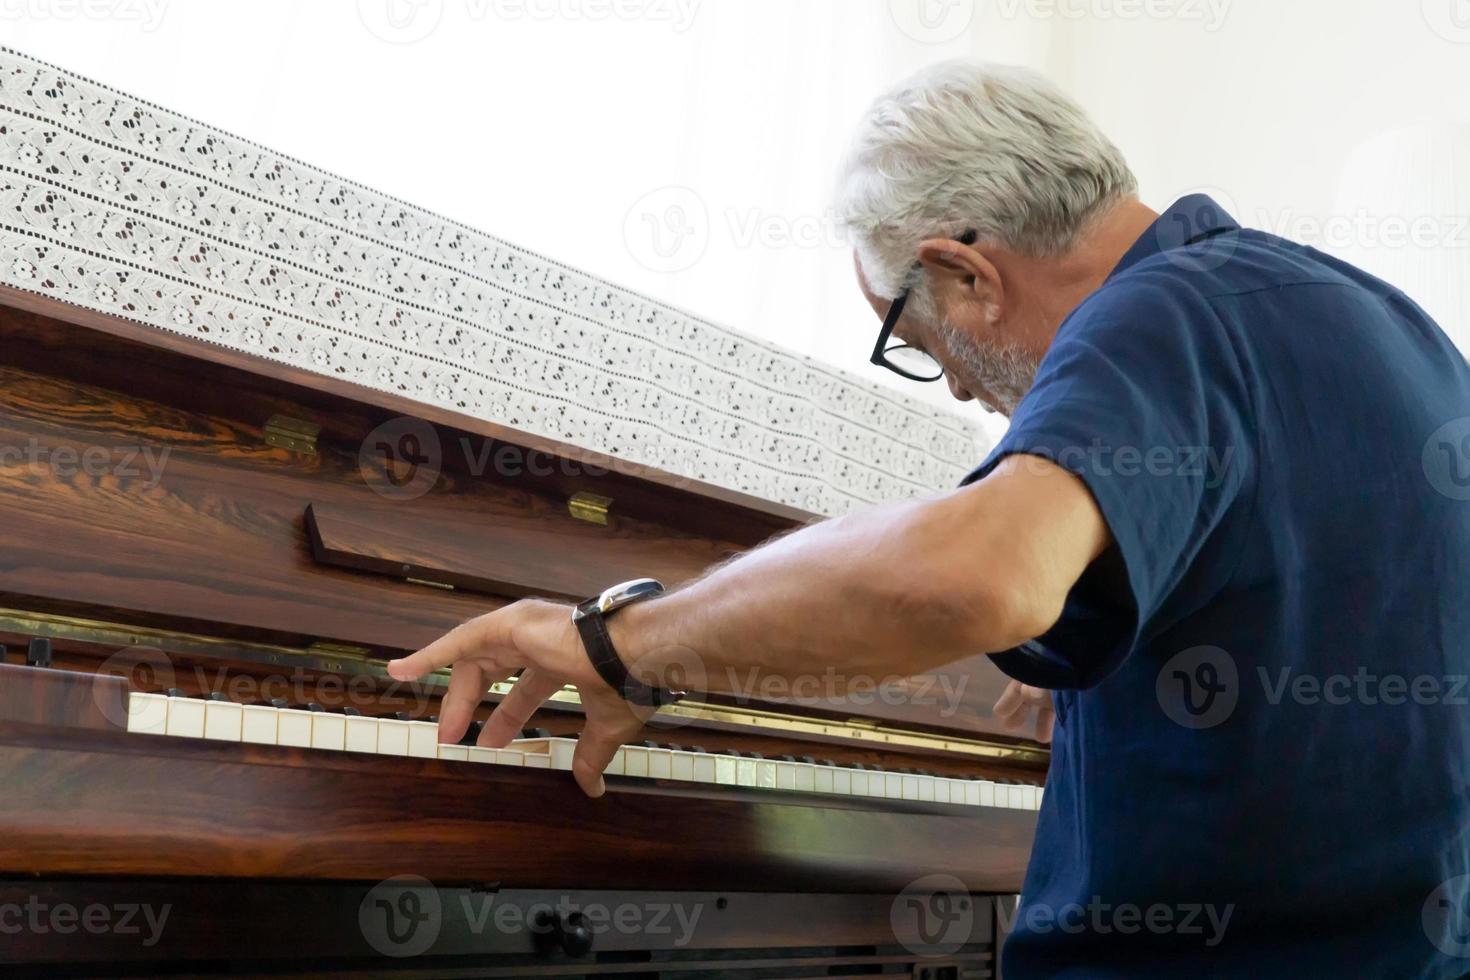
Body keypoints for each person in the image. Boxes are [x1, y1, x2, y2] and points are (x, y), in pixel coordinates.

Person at [388, 60, 1470, 976]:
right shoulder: (1384, 322)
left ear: (963, 270)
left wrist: (620, 644)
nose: (953, 386)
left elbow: (974, 576)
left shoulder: (1154, 310)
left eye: (907, 332)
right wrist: (1127, 643)